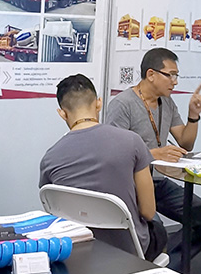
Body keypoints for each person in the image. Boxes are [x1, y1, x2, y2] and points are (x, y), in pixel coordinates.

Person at [39, 74, 167, 261]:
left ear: (62, 113)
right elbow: (148, 211)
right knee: (158, 227)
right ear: (98, 103)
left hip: (76, 254)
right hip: (130, 251)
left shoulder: (50, 158)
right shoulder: (132, 141)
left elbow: (53, 212)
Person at [105, 48, 201, 249]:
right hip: (131, 185)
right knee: (155, 233)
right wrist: (153, 155)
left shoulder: (167, 102)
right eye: (170, 75)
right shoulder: (123, 104)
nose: (175, 82)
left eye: (176, 76)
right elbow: (113, 156)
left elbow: (185, 143)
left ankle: (172, 262)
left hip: (158, 182)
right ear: (151, 74)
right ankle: (158, 259)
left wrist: (193, 115)